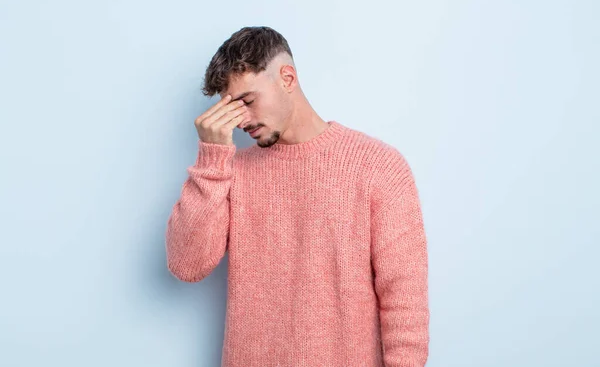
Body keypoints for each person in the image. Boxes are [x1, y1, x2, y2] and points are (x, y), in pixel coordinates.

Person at [165, 26, 430, 367]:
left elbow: (404, 300)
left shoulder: (377, 166)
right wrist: (212, 158)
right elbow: (187, 266)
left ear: (287, 78)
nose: (240, 120)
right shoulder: (229, 172)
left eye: (247, 100)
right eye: (229, 109)